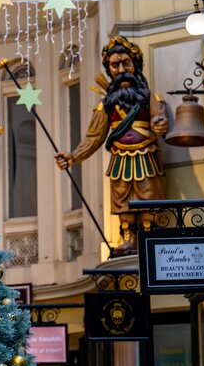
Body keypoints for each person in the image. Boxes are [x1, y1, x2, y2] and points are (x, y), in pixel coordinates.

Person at [55, 36, 168, 255]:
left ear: (135, 65)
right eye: (115, 65)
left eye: (126, 63)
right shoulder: (105, 105)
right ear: (109, 70)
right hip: (120, 159)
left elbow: (159, 116)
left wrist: (161, 123)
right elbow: (93, 137)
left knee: (148, 195)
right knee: (122, 198)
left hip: (146, 155)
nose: (121, 69)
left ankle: (149, 235)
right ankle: (128, 239)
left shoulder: (150, 97)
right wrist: (73, 156)